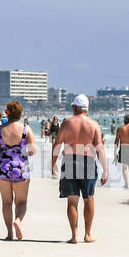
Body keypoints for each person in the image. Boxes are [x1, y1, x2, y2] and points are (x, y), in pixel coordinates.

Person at [52, 95, 108, 243]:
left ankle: (74, 235)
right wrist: (105, 169)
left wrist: (53, 163)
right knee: (88, 199)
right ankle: (88, 234)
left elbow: (57, 144)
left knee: (72, 200)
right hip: (88, 162)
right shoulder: (94, 124)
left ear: (75, 107)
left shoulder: (67, 123)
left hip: (70, 160)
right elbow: (99, 148)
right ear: (87, 108)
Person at [0, 100, 37, 239]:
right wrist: (20, 153)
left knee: (6, 202)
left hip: (3, 168)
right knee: (21, 201)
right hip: (21, 168)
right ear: (20, 113)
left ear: (7, 113)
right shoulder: (26, 129)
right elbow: (32, 150)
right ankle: (18, 221)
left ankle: (9, 234)